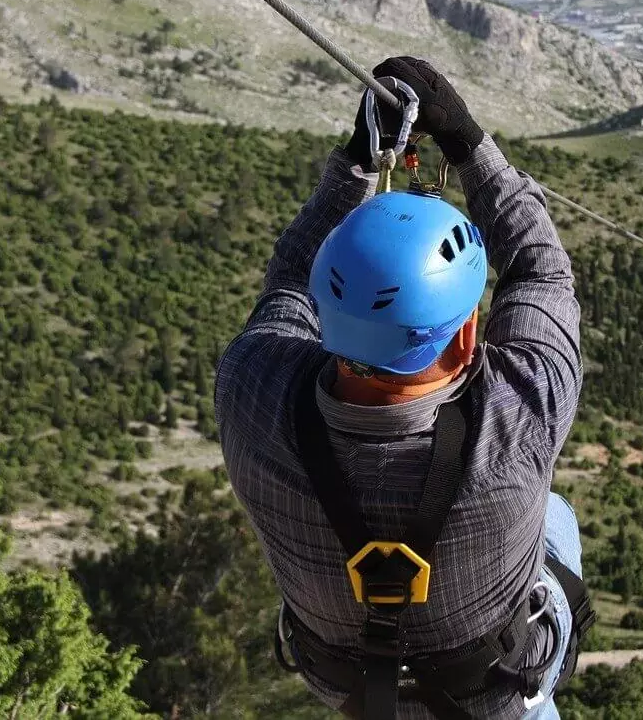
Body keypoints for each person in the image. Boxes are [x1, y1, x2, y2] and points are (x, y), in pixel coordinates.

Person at [215, 56, 591, 720]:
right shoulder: (519, 415)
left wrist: (360, 160)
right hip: (492, 688)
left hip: (345, 682)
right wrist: (468, 142)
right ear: (468, 338)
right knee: (555, 515)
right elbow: (541, 271)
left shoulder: (253, 392)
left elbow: (287, 281)